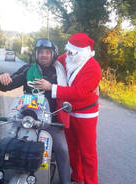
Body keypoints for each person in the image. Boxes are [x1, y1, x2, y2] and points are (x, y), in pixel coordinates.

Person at [0, 38, 71, 184]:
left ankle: (65, 181)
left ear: (53, 54)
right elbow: (7, 85)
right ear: (35, 54)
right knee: (10, 145)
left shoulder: (61, 72)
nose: (43, 55)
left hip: (51, 121)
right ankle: (1, 173)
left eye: (47, 52)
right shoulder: (28, 70)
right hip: (26, 120)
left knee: (62, 149)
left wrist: (95, 88)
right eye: (40, 52)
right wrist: (2, 79)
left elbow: (73, 87)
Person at [35, 33, 102, 184]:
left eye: (72, 52)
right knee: (72, 147)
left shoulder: (94, 68)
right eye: (68, 51)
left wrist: (52, 87)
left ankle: (91, 181)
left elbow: (79, 92)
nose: (68, 55)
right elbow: (52, 61)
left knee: (88, 152)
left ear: (84, 52)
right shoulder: (67, 58)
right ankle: (77, 176)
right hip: (68, 112)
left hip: (86, 115)